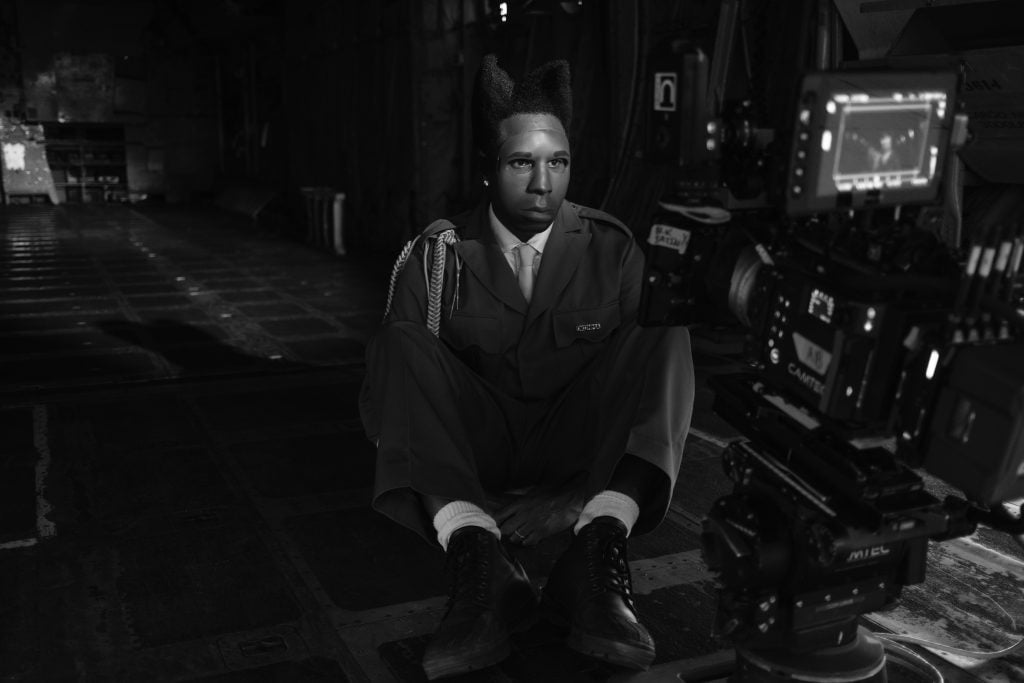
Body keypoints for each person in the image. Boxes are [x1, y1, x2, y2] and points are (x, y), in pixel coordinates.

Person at [359, 54, 695, 680]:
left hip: (575, 450)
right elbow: (392, 401)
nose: (543, 183)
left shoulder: (612, 247)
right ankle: (478, 559)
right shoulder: (437, 254)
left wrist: (572, 499)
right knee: (397, 345)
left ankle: (599, 553)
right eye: (522, 163)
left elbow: (636, 392)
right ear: (489, 171)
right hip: (475, 454)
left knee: (665, 335)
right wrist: (468, 497)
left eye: (557, 163)